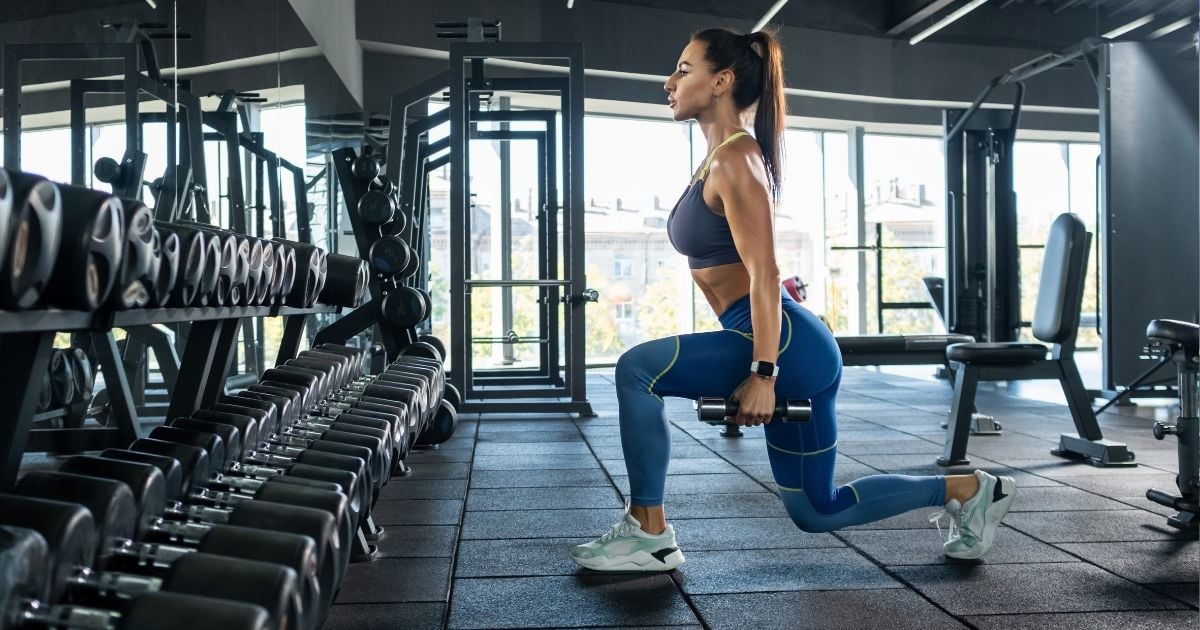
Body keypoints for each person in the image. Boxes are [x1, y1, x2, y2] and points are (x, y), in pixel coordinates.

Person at [570, 27, 1016, 572]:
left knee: (637, 369)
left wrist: (763, 372)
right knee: (816, 510)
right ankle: (970, 489)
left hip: (779, 343)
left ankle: (649, 531)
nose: (669, 81)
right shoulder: (718, 159)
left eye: (684, 69)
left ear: (722, 81)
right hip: (786, 342)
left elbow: (765, 274)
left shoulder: (737, 159)